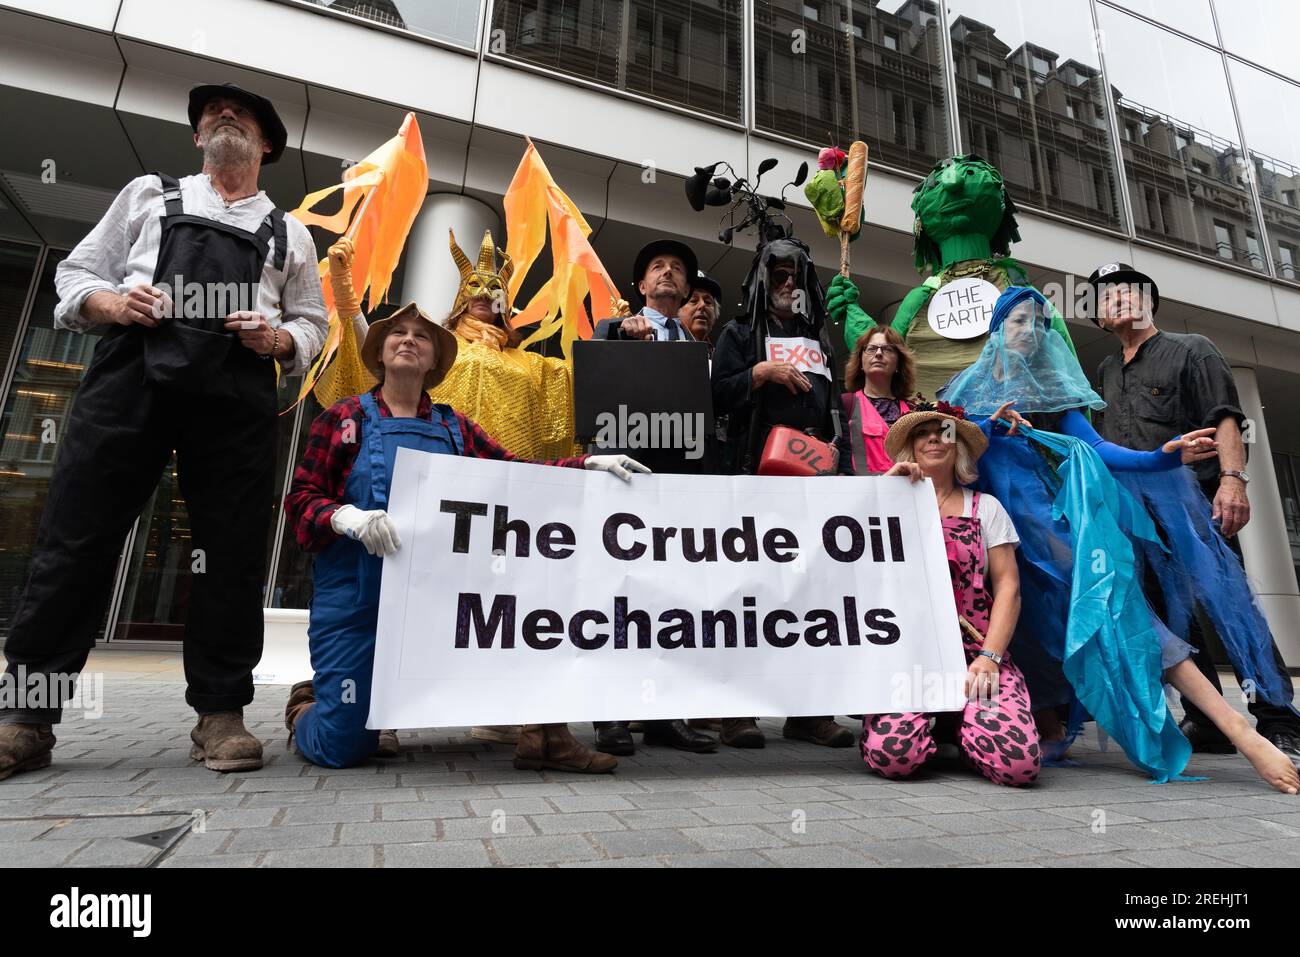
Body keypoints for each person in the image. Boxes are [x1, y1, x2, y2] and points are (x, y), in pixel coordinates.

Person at [0, 83, 329, 780]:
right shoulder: (150, 193)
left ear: (266, 144)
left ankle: (221, 715)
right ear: (197, 136)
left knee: (231, 554)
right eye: (213, 112)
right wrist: (114, 301)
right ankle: (26, 716)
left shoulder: (290, 232)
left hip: (236, 389)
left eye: (243, 114)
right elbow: (76, 274)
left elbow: (312, 326)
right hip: (132, 372)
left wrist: (275, 339)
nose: (225, 117)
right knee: (76, 538)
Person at [941, 286, 1298, 793]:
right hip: (993, 542)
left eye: (1041, 324)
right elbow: (941, 453)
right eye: (1021, 321)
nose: (1033, 332)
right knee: (1028, 634)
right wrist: (982, 427)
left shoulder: (1052, 398)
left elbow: (1103, 450)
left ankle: (1242, 730)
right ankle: (1040, 723)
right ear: (997, 328)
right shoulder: (960, 395)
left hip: (1056, 539)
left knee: (1128, 615)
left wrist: (1164, 456)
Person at [281, 301, 647, 772]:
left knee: (539, 616)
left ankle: (545, 737)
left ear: (435, 360)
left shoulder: (455, 428)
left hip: (442, 605)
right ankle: (308, 707)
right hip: (358, 602)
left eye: (422, 335)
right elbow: (300, 500)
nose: (408, 339)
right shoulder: (343, 419)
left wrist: (586, 466)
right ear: (379, 352)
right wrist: (343, 517)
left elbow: (519, 477)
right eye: (397, 333)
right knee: (343, 746)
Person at [1090, 262, 1300, 769]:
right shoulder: (1105, 371)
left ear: (1149, 301)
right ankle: (1207, 722)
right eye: (1105, 296)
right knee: (1169, 618)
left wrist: (1233, 480)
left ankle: (1280, 721)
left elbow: (1225, 417)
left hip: (1195, 507)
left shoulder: (1193, 349)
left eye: (1128, 291)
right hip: (1136, 520)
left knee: (1230, 607)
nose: (1117, 299)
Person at [711, 235, 855, 749]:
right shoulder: (737, 332)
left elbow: (835, 407)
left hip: (812, 483)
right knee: (748, 597)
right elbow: (712, 395)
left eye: (795, 275)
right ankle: (738, 712)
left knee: (808, 598)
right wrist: (758, 373)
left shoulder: (821, 341)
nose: (787, 283)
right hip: (754, 479)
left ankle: (808, 713)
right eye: (778, 274)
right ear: (761, 281)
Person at [867, 403, 1040, 787]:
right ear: (910, 448)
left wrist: (989, 658)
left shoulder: (987, 508)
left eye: (943, 430)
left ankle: (962, 728)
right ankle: (935, 727)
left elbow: (1008, 587)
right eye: (921, 433)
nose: (933, 437)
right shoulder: (883, 503)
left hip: (975, 653)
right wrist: (886, 493)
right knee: (895, 758)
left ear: (957, 445)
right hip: (906, 655)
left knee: (1018, 767)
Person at [824, 154, 1077, 400]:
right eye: (937, 183)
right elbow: (882, 353)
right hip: (929, 435)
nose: (953, 183)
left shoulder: (1021, 292)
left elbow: (1066, 371)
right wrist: (851, 311)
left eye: (969, 174)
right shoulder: (920, 299)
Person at [841, 325, 914, 474]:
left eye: (887, 349)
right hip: (861, 495)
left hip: (907, 494)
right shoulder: (845, 404)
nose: (879, 353)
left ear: (898, 364)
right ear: (861, 361)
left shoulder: (913, 411)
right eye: (871, 348)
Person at [679, 270, 722, 350]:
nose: (702, 305)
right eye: (694, 301)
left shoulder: (720, 357)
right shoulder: (663, 345)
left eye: (708, 302)